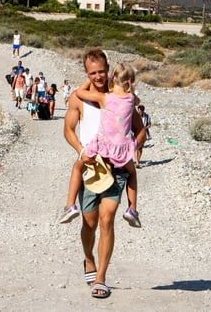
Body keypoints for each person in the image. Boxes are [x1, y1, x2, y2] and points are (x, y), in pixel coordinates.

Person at [63, 49, 146, 299]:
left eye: (102, 71)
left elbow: (140, 129)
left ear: (108, 69)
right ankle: (89, 260)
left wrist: (133, 147)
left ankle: (101, 278)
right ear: (86, 74)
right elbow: (68, 129)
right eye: (92, 73)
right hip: (91, 166)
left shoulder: (120, 97)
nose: (98, 76)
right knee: (89, 223)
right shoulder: (80, 99)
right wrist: (80, 151)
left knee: (107, 219)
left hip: (117, 166)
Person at [62, 62, 141, 227]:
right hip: (122, 149)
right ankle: (132, 209)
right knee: (132, 173)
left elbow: (79, 93)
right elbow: (137, 105)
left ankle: (70, 206)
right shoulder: (131, 100)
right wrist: (132, 146)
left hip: (102, 147)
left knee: (78, 167)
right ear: (130, 82)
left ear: (111, 76)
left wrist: (88, 79)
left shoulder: (105, 98)